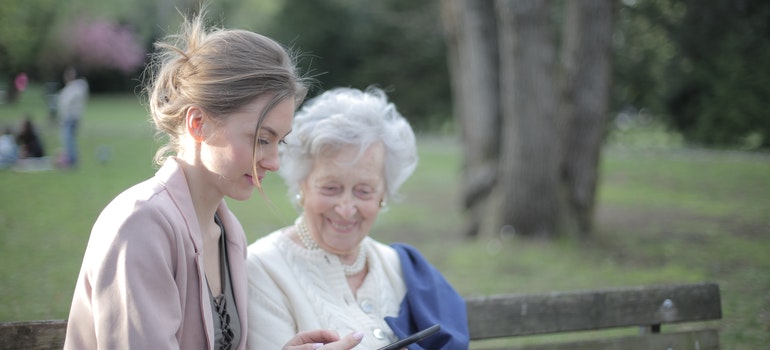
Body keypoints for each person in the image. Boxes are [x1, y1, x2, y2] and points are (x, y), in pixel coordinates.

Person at [64, 11, 362, 350]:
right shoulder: (139, 226)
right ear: (197, 124)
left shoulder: (228, 231)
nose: (274, 162)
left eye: (280, 141)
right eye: (261, 139)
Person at [246, 87, 470, 349]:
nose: (345, 208)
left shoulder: (402, 268)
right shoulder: (262, 270)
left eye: (364, 191)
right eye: (330, 188)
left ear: (383, 195)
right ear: (302, 186)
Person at [57, 65, 89, 168]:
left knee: (68, 139)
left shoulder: (76, 88)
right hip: (69, 118)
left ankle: (72, 160)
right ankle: (71, 159)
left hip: (71, 118)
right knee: (68, 140)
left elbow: (67, 103)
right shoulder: (71, 88)